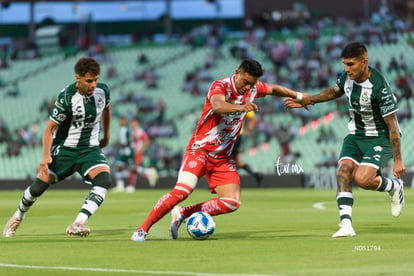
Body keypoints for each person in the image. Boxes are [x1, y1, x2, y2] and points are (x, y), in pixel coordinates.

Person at [131, 59, 306, 242]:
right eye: (245, 81)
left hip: (223, 157)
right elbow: (217, 105)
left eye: (252, 84)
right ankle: (142, 230)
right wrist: (241, 107)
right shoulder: (221, 86)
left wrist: (299, 96)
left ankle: (183, 212)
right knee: (183, 190)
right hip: (200, 151)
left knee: (232, 202)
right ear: (236, 72)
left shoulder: (253, 88)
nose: (248, 87)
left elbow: (273, 89)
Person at [285, 42, 405, 238]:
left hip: (379, 138)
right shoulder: (348, 78)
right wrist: (308, 99)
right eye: (344, 64)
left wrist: (398, 160)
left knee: (363, 180)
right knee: (343, 172)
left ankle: (394, 186)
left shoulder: (379, 87)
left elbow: (393, 125)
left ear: (364, 62)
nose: (346, 69)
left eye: (350, 64)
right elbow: (334, 91)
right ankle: (346, 225)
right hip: (356, 136)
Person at [3, 57, 112, 238]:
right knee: (38, 187)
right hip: (65, 149)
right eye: (89, 81)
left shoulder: (103, 91)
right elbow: (49, 129)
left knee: (104, 180)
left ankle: (78, 222)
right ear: (78, 79)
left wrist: (106, 135)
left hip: (89, 149)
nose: (93, 84)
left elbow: (106, 109)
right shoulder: (67, 97)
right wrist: (46, 156)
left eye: (96, 80)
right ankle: (17, 216)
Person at [112, 117, 158, 192]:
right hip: (132, 152)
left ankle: (146, 174)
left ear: (137, 122)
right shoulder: (132, 131)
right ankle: (148, 173)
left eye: (133, 122)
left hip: (136, 152)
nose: (131, 124)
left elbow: (146, 140)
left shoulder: (139, 131)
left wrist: (141, 150)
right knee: (132, 168)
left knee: (133, 168)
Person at [232, 110, 264, 186]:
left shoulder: (244, 102)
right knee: (237, 162)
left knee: (226, 160)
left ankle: (228, 182)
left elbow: (253, 118)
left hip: (234, 135)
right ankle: (255, 174)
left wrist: (249, 130)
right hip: (235, 136)